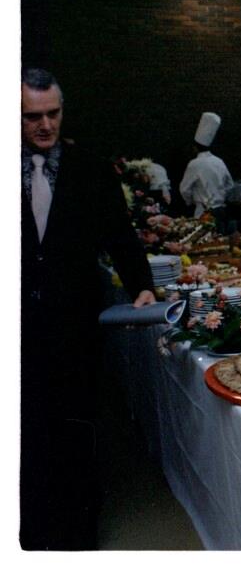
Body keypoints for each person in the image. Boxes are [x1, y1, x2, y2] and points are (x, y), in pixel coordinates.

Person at [21, 68, 156, 549]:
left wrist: (141, 285)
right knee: (28, 427)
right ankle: (30, 531)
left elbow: (120, 235)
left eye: (53, 113)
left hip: (76, 322)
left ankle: (79, 535)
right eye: (32, 116)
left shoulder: (90, 168)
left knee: (78, 425)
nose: (45, 125)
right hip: (19, 327)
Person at [178, 112, 234, 231]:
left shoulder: (194, 164)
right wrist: (221, 196)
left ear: (195, 147)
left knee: (204, 239)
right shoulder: (219, 161)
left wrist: (190, 202)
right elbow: (230, 185)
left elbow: (184, 189)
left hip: (203, 211)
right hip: (221, 210)